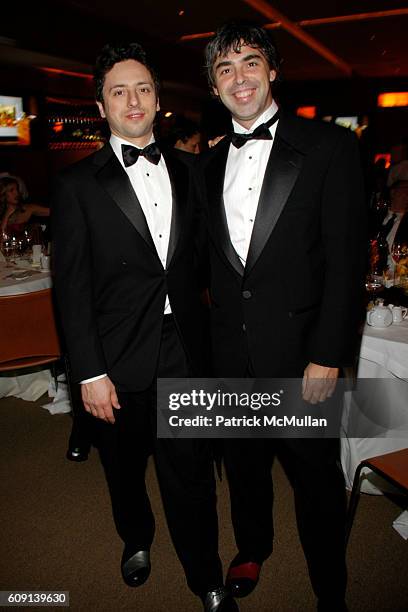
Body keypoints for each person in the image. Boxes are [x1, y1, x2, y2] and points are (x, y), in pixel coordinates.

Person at [51, 42, 237, 612]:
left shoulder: (191, 170)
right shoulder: (78, 185)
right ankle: (136, 538)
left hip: (184, 347)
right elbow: (72, 289)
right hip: (114, 357)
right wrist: (89, 372)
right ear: (102, 106)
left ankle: (205, 576)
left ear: (158, 100)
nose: (133, 100)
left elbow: (216, 257)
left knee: (191, 476)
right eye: (118, 91)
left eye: (143, 89)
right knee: (125, 470)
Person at [199, 22, 366, 611]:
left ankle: (330, 589)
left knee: (315, 482)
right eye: (224, 68)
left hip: (301, 356)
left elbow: (347, 265)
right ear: (214, 88)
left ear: (272, 70)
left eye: (249, 62)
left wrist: (329, 355)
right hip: (230, 354)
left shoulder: (330, 148)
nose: (238, 77)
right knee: (243, 466)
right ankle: (251, 548)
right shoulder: (207, 165)